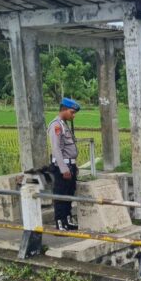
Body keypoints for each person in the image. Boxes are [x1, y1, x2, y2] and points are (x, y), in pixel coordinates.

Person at [48, 97, 81, 231]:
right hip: (62, 167)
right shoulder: (56, 125)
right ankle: (60, 223)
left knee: (69, 194)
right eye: (72, 112)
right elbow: (56, 149)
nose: (73, 115)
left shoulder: (64, 124)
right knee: (60, 195)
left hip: (70, 166)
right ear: (64, 110)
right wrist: (63, 169)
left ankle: (67, 220)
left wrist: (73, 166)